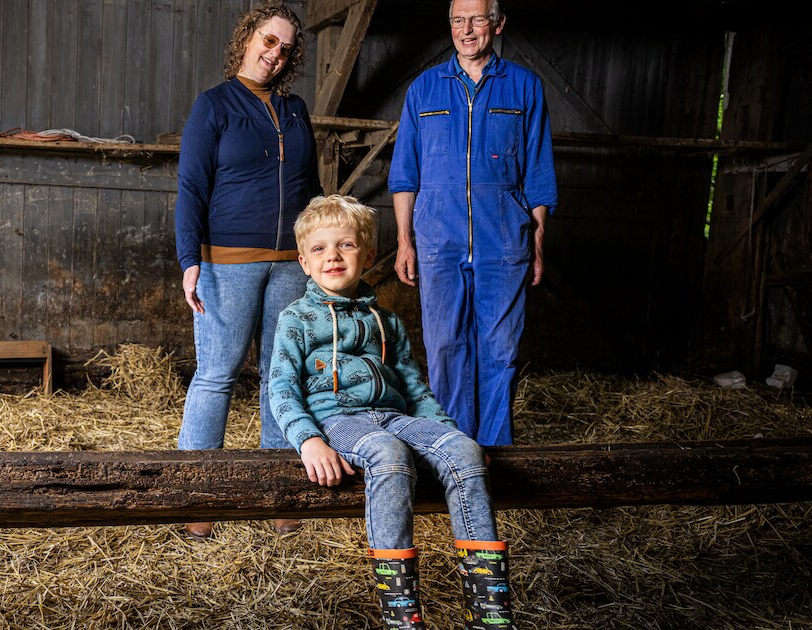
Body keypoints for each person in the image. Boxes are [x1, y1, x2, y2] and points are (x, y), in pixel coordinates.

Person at [269, 195, 514, 630]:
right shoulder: (296, 320)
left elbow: (416, 389)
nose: (333, 257)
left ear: (367, 255)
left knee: (463, 451)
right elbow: (282, 388)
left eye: (345, 245)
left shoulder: (388, 322)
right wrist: (308, 440)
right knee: (388, 453)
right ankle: (402, 614)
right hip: (339, 421)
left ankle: (489, 612)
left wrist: (451, 434)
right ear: (304, 262)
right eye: (320, 249)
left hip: (394, 415)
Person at [173, 0, 320, 539]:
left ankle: (279, 493)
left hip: (290, 266)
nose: (274, 53)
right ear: (247, 40)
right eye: (267, 40)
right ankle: (196, 497)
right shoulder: (214, 105)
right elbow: (191, 187)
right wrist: (190, 260)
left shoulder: (297, 109)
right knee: (216, 376)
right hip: (227, 263)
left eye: (284, 47)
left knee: (281, 378)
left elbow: (314, 190)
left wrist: (319, 256)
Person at [387, 0, 557, 446]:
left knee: (500, 351)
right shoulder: (424, 90)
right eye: (458, 20)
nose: (467, 29)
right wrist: (405, 242)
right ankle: (453, 452)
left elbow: (539, 176)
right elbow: (405, 175)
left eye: (478, 19)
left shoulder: (524, 88)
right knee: (444, 350)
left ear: (497, 25)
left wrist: (537, 245)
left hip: (504, 242)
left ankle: (494, 455)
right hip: (438, 241)